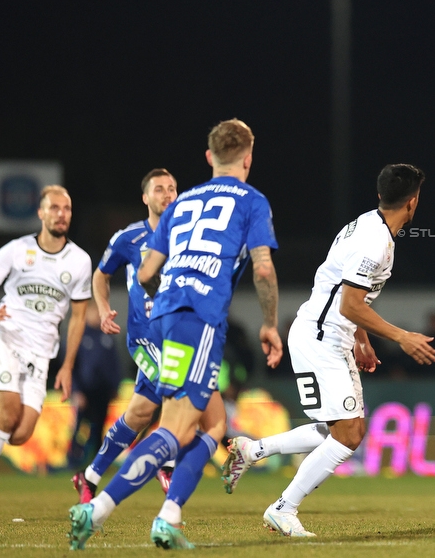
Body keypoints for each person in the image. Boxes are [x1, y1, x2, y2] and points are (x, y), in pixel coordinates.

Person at [68, 119, 283, 549]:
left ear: (208, 158)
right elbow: (262, 267)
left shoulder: (183, 205)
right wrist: (270, 323)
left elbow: (147, 272)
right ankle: (100, 508)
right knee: (181, 426)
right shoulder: (252, 200)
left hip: (167, 319)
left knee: (210, 422)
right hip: (199, 319)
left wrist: (171, 298)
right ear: (248, 157)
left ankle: (168, 514)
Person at [221, 164, 435, 538]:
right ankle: (283, 508)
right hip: (320, 338)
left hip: (329, 336)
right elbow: (349, 304)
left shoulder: (366, 224)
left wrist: (362, 339)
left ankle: (253, 451)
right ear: (413, 202)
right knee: (349, 433)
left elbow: (345, 292)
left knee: (340, 428)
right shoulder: (375, 242)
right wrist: (401, 336)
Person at [0, 185, 93, 512]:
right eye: (54, 208)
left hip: (42, 354)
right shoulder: (16, 250)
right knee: (8, 414)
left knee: (20, 434)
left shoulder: (80, 261)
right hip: (7, 339)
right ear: (41, 213)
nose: (61, 214)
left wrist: (68, 366)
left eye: (66, 209)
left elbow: (79, 317)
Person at [71, 169, 178, 503]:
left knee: (140, 414)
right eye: (159, 189)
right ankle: (167, 461)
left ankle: (88, 476)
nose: (167, 194)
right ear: (145, 198)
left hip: (178, 337)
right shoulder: (128, 238)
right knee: (179, 388)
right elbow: (100, 276)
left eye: (172, 188)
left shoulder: (189, 235)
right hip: (145, 336)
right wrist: (102, 310)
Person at [66, 300, 122, 468]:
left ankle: (97, 464)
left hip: (102, 391)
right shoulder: (79, 335)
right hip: (84, 390)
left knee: (99, 428)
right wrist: (75, 390)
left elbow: (114, 363)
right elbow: (71, 366)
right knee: (79, 428)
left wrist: (115, 386)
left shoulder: (107, 336)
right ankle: (73, 462)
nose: (97, 317)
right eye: (94, 313)